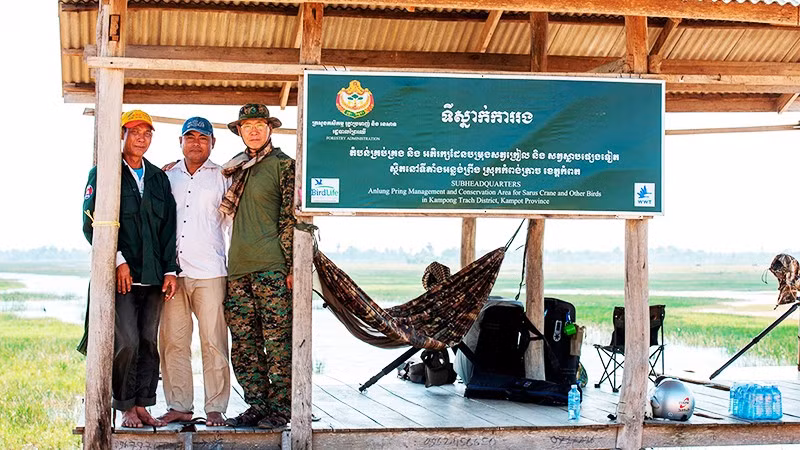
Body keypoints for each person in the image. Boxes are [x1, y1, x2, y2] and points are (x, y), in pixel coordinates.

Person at [81, 109, 179, 428]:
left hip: (153, 277)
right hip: (122, 276)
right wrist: (118, 260)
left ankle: (142, 405)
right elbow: (90, 223)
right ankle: (124, 407)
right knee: (127, 342)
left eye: (147, 132)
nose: (141, 137)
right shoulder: (104, 172)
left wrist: (169, 270)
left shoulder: (157, 178)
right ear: (122, 134)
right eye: (134, 131)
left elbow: (168, 229)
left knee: (149, 343)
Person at [220, 104, 296, 429]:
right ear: (239, 130)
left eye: (259, 124)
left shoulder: (284, 166)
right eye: (246, 125)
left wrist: (292, 266)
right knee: (245, 344)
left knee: (278, 342)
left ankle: (281, 409)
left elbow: (293, 219)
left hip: (272, 269)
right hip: (238, 270)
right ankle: (257, 405)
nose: (253, 130)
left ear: (269, 128)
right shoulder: (236, 168)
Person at [157, 117, 231, 427]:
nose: (196, 142)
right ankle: (179, 405)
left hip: (211, 271)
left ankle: (215, 407)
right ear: (180, 142)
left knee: (214, 341)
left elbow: (231, 222)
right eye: (190, 136)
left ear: (213, 143)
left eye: (203, 137)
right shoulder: (166, 176)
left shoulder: (222, 177)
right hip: (173, 274)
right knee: (173, 342)